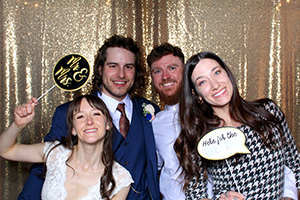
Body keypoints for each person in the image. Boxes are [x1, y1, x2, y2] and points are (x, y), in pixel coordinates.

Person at [18, 35, 160, 200]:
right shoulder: (67, 112)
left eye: (128, 66)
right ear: (100, 69)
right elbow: (44, 169)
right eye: (113, 66)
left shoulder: (149, 110)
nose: (121, 74)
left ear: (136, 71)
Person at [174, 51, 300, 199]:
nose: (215, 85)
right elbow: (195, 195)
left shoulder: (268, 111)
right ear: (196, 94)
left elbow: (295, 166)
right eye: (203, 82)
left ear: (227, 73)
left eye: (217, 72)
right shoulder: (199, 135)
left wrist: (290, 196)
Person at [0, 95, 133, 199]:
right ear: (73, 129)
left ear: (108, 124)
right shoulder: (54, 152)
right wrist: (18, 125)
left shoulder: (120, 179)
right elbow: (6, 150)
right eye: (80, 116)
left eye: (96, 114)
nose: (89, 121)